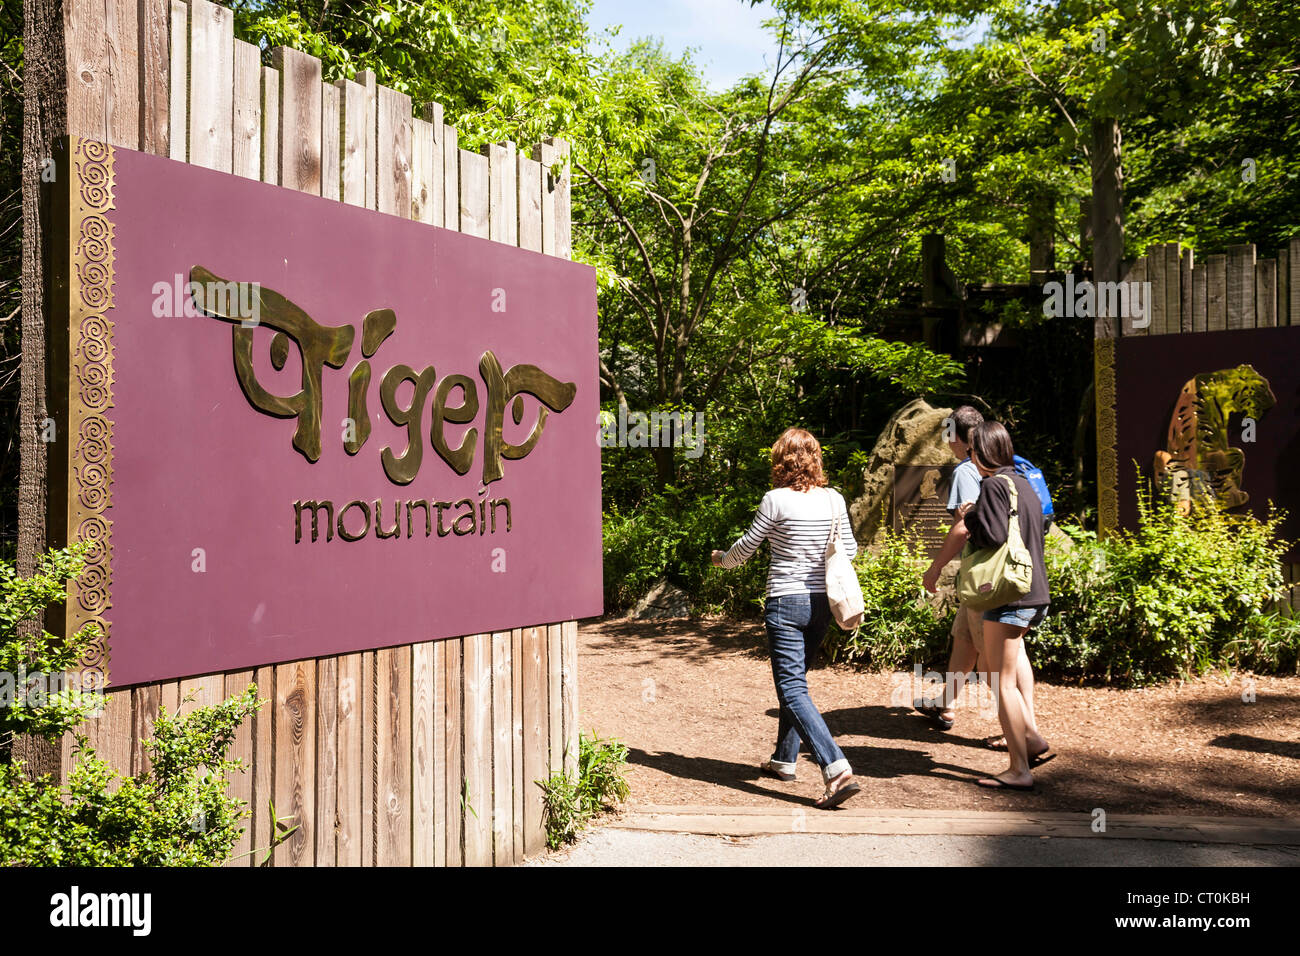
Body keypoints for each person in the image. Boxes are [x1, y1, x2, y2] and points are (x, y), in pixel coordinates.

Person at [711, 427, 862, 809]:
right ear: (815, 459)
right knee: (796, 683)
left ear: (781, 461)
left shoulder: (775, 500)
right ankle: (784, 759)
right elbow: (852, 550)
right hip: (821, 605)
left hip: (785, 602)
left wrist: (721, 560)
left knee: (792, 688)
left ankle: (836, 768)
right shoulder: (833, 500)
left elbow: (746, 548)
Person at [943, 421, 1053, 790]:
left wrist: (968, 515)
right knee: (1002, 672)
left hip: (1007, 595)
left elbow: (991, 534)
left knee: (1001, 681)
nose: (970, 458)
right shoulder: (1024, 483)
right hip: (1034, 592)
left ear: (981, 453)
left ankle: (1020, 770)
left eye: (972, 452)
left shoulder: (992, 485)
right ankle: (1032, 741)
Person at [916, 405, 986, 731]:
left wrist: (935, 568)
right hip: (993, 573)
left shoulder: (965, 470)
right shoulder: (997, 464)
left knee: (998, 656)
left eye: (948, 435)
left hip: (985, 574)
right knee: (964, 638)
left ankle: (1023, 732)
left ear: (955, 436)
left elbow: (963, 526)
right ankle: (947, 705)